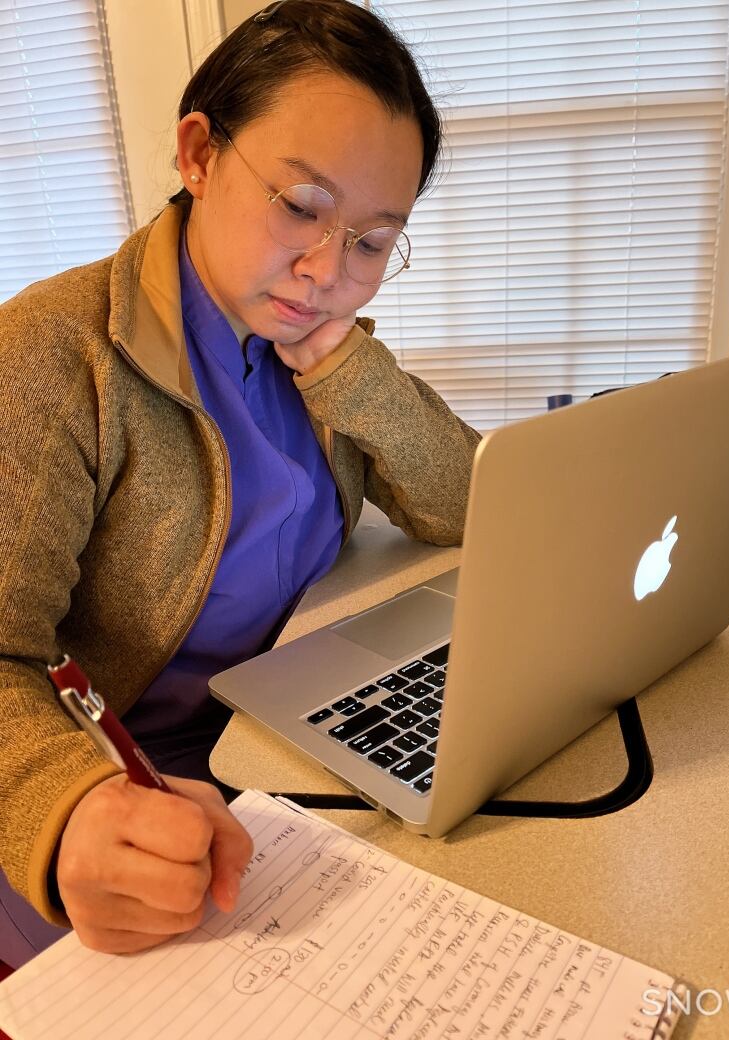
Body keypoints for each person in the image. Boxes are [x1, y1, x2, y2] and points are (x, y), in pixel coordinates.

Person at [0, 0, 479, 968]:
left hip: (288, 752)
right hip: (126, 804)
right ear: (199, 154)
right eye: (301, 207)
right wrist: (63, 808)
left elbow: (465, 501)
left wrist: (352, 370)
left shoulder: (314, 346)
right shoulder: (54, 358)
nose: (323, 269)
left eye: (372, 243)